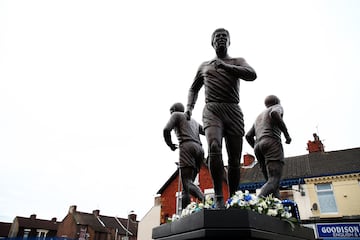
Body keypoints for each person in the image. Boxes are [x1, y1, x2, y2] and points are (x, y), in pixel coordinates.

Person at [185, 28, 257, 208]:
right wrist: (189, 108)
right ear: (212, 42)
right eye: (217, 37)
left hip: (232, 109)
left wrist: (227, 67)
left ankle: (233, 197)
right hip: (212, 110)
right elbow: (193, 88)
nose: (221, 39)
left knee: (234, 158)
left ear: (229, 41)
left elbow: (252, 74)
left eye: (224, 36)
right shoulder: (204, 66)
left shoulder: (237, 61)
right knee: (215, 147)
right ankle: (218, 196)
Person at [245, 95, 291, 199]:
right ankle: (256, 203)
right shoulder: (277, 107)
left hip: (258, 146)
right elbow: (274, 114)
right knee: (274, 179)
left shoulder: (258, 117)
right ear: (277, 101)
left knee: (271, 183)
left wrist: (258, 148)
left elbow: (248, 136)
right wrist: (287, 135)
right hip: (271, 141)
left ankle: (277, 207)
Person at [163, 102, 205, 209]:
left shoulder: (176, 115)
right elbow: (206, 131)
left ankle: (205, 200)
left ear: (174, 110)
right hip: (199, 150)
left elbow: (166, 130)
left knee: (186, 182)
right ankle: (185, 212)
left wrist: (171, 145)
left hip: (187, 146)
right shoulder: (194, 121)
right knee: (185, 188)